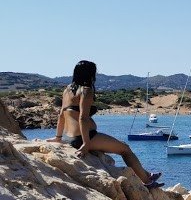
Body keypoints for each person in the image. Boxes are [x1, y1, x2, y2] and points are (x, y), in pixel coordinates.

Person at [48, 60, 162, 188]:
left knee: (123, 148)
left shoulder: (67, 90)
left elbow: (61, 115)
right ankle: (147, 181)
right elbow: (83, 118)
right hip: (84, 137)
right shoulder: (86, 90)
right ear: (90, 73)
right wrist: (86, 144)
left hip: (68, 137)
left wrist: (58, 137)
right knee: (125, 149)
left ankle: (147, 174)